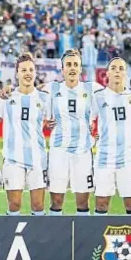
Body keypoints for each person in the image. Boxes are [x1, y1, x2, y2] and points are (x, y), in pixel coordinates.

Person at [46, 49, 104, 215]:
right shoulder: (52, 88)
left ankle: (82, 240)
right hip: (58, 151)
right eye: (68, 65)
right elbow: (28, 94)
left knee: (83, 201)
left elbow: (115, 97)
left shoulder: (92, 88)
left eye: (75, 65)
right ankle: (54, 240)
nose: (72, 68)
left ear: (80, 69)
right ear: (62, 68)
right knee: (56, 201)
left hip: (83, 152)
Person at [0, 53, 50, 216]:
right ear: (17, 73)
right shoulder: (7, 97)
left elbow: (52, 122)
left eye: (31, 69)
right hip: (12, 159)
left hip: (38, 159)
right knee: (14, 204)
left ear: (35, 72)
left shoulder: (44, 98)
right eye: (23, 70)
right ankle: (13, 240)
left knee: (38, 205)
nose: (27, 73)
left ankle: (39, 241)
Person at [91, 57, 131, 216]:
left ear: (126, 73)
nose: (117, 71)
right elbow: (89, 122)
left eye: (121, 68)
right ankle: (98, 240)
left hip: (129, 158)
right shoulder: (98, 97)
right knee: (101, 204)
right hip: (104, 158)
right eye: (113, 68)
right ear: (107, 73)